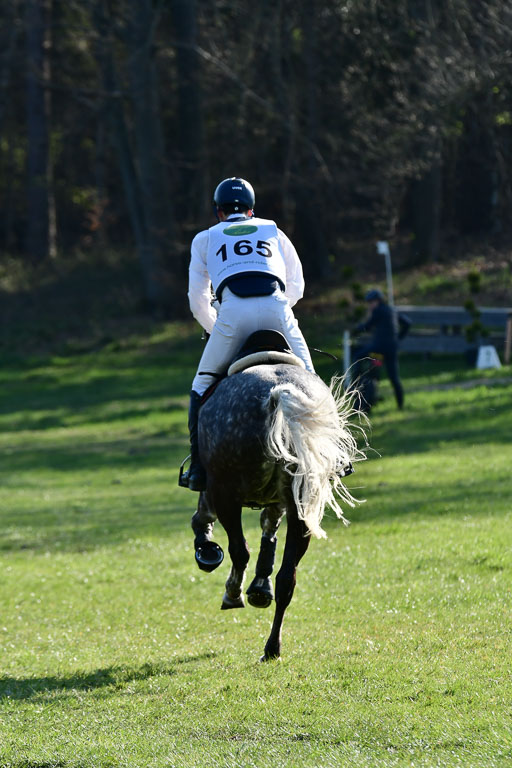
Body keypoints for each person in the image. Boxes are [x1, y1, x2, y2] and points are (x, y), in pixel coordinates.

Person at [181, 176, 315, 491]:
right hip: (278, 310)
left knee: (201, 385)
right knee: (311, 380)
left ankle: (198, 467)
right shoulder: (274, 231)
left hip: (232, 315)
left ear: (218, 212)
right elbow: (297, 286)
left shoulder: (205, 239)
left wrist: (218, 330)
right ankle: (337, 459)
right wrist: (277, 308)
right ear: (252, 211)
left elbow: (197, 301)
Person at [353, 289, 410, 409]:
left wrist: (357, 328)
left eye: (371, 302)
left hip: (378, 348)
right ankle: (400, 405)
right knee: (393, 377)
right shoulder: (391, 310)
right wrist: (398, 338)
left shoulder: (378, 311)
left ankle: (355, 381)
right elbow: (407, 323)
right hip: (391, 349)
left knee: (358, 356)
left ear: (377, 301)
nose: (370, 305)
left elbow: (367, 327)